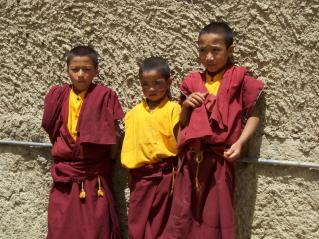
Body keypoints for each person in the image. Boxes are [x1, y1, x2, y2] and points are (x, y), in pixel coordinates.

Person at [163, 22, 265, 239]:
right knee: (184, 217)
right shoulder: (192, 82)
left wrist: (239, 143)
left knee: (215, 218)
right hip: (191, 162)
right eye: (202, 50)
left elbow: (254, 114)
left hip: (220, 161)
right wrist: (186, 106)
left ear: (230, 49)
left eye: (216, 50)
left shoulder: (240, 80)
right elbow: (183, 123)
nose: (208, 57)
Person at [42, 45, 123, 239]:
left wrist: (106, 163)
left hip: (95, 178)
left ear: (96, 71)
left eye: (87, 70)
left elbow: (113, 136)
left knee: (96, 229)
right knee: (61, 229)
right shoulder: (58, 96)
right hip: (65, 177)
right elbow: (53, 131)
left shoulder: (105, 96)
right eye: (75, 69)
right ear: (67, 70)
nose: (80, 75)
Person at [121, 57, 181, 239]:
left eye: (158, 83)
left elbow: (180, 144)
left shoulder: (174, 109)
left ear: (169, 82)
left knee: (162, 225)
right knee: (138, 224)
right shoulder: (132, 114)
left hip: (164, 176)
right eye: (145, 84)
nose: (152, 89)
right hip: (140, 178)